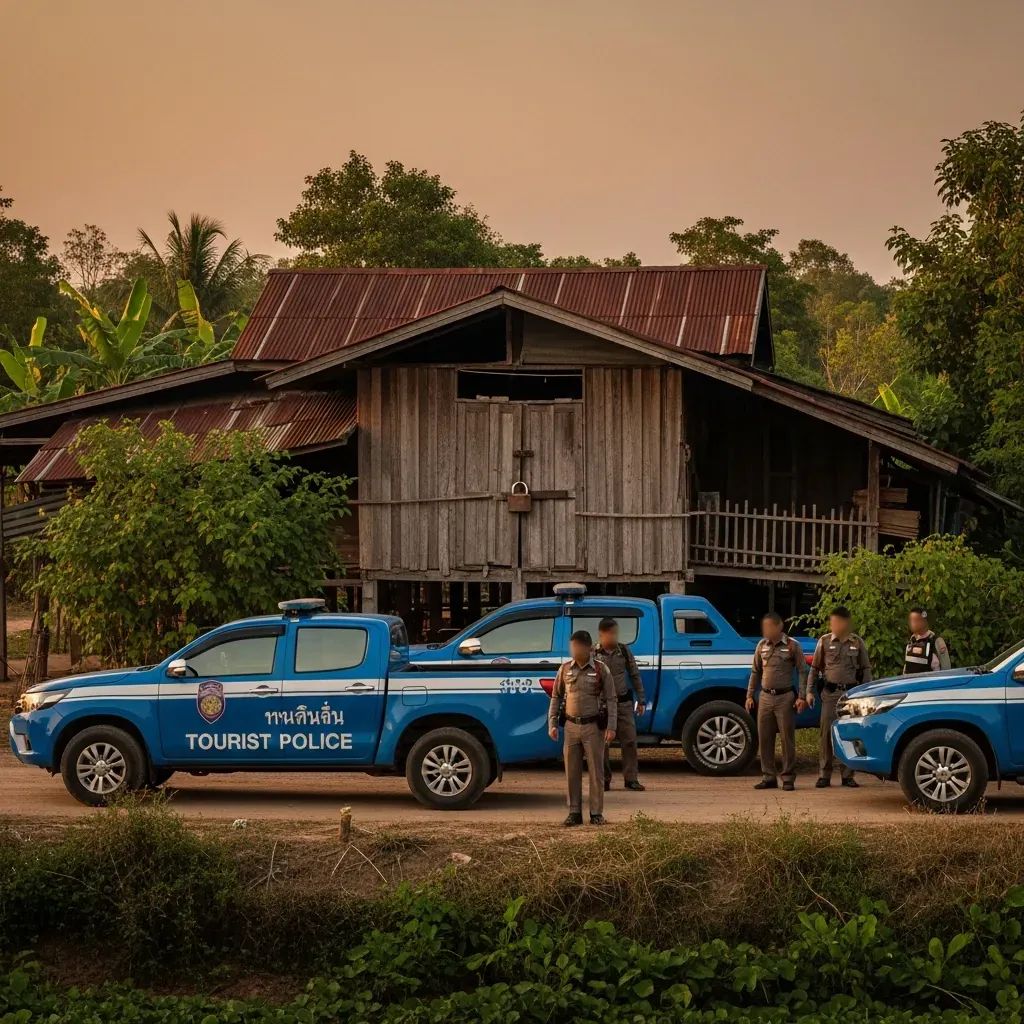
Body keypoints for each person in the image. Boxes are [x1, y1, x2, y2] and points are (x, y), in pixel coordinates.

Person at [548, 630, 617, 826]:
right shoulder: (564, 669)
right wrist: (552, 723)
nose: (573, 650)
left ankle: (596, 813)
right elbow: (556, 696)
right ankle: (574, 812)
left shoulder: (601, 670)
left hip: (593, 727)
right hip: (571, 726)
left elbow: (611, 699)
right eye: (572, 646)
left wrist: (611, 726)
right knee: (572, 771)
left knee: (596, 771)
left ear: (588, 648)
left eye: (577, 646)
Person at [805, 606, 872, 788]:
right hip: (830, 694)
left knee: (849, 733)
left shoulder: (857, 642)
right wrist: (809, 691)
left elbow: (865, 669)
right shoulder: (824, 641)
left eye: (838, 622)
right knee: (826, 734)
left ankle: (848, 774)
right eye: (832, 622)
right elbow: (815, 668)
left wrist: (866, 693)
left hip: (851, 695)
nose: (834, 625)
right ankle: (824, 774)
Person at [745, 611, 808, 791]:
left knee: (787, 739)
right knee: (764, 737)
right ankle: (768, 776)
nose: (766, 631)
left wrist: (802, 697)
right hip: (765, 697)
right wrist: (749, 695)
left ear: (779, 627)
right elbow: (755, 671)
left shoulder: (792, 645)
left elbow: (803, 671)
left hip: (785, 697)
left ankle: (788, 777)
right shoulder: (761, 646)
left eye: (770, 627)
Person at [594, 617, 646, 792]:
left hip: (623, 703)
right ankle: (605, 780)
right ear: (602, 635)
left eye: (616, 633)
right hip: (601, 705)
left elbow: (634, 674)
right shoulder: (593, 654)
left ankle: (631, 778)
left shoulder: (623, 650)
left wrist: (641, 699)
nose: (614, 637)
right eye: (610, 633)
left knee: (630, 741)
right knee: (602, 745)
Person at [903, 607, 951, 674]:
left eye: (915, 620)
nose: (912, 624)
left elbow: (947, 669)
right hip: (910, 683)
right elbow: (906, 667)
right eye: (911, 621)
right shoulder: (912, 641)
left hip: (931, 683)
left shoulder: (937, 641)